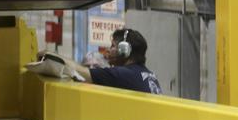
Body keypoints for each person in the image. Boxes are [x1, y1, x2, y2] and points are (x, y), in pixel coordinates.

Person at [27, 28, 163, 94]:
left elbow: (81, 73)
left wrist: (52, 55)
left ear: (125, 50)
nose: (109, 50)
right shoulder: (148, 75)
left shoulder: (124, 75)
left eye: (113, 46)